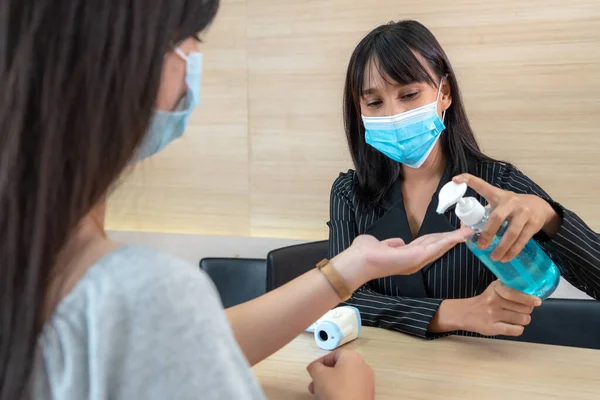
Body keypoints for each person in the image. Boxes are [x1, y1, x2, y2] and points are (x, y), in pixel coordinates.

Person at [0, 3, 472, 400]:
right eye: (190, 35)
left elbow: (181, 346)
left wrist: (351, 267)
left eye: (409, 94)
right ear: (126, 63)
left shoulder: (53, 274)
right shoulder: (138, 293)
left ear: (443, 92)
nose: (195, 55)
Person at [328, 20, 600, 340]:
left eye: (410, 94)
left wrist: (549, 217)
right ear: (359, 111)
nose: (393, 114)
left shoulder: (498, 184)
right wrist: (449, 313)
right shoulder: (350, 193)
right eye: (374, 102)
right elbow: (339, 298)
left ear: (444, 93)